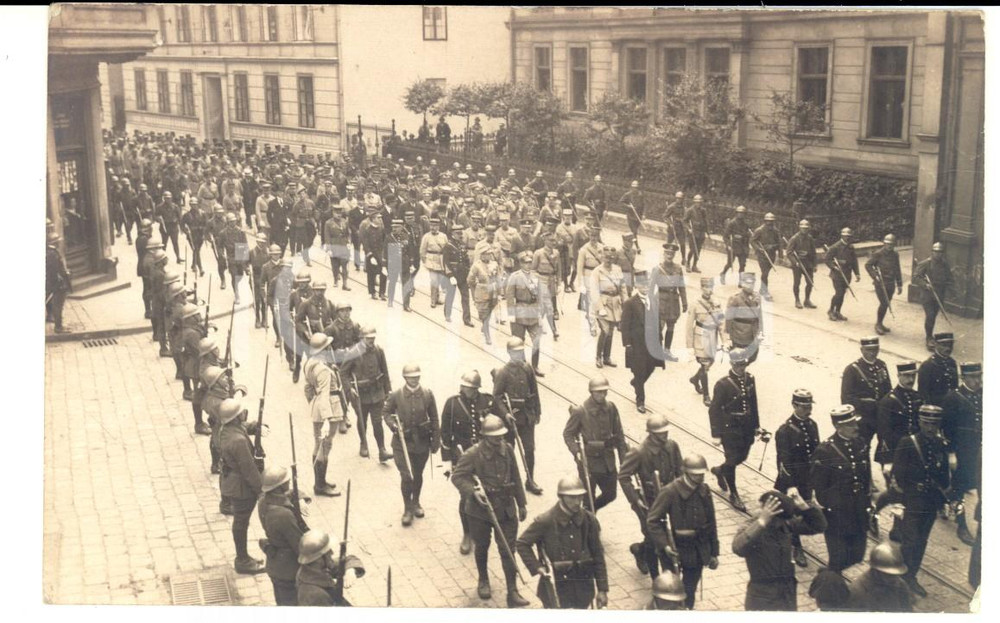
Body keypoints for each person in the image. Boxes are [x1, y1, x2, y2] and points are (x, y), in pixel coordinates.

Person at [450, 415, 530, 607]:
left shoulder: (508, 449)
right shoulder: (472, 454)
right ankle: (483, 579)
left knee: (508, 549)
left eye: (501, 436)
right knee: (482, 546)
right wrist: (473, 491)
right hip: (480, 511)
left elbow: (516, 476)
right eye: (495, 437)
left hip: (506, 508)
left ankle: (513, 591)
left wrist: (521, 503)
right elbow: (458, 477)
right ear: (485, 436)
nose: (499, 440)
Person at [516, 475, 610, 609]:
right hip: (557, 587)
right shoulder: (545, 520)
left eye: (580, 497)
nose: (577, 502)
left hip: (583, 587)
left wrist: (602, 589)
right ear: (561, 497)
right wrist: (537, 567)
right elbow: (522, 544)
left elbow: (598, 555)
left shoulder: (589, 520)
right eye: (572, 497)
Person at [731, 489, 827, 611]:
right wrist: (761, 522)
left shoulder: (784, 525)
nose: (782, 523)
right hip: (762, 595)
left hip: (787, 594)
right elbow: (738, 547)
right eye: (778, 520)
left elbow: (819, 526)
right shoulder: (752, 527)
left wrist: (803, 505)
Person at [646, 454, 720, 610]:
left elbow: (711, 522)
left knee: (689, 590)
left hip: (697, 549)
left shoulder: (704, 490)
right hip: (675, 549)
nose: (699, 477)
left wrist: (714, 552)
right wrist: (665, 545)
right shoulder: (670, 491)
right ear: (686, 472)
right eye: (695, 474)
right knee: (672, 592)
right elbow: (652, 521)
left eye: (701, 474)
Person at [891, 404, 950, 598]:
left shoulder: (941, 444)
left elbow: (943, 475)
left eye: (934, 424)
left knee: (921, 540)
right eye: (926, 423)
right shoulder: (908, 442)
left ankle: (911, 576)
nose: (930, 428)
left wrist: (944, 499)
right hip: (912, 501)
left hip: (930, 502)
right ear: (919, 422)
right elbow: (898, 474)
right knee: (910, 540)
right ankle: (901, 577)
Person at [441, 371, 499, 555]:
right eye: (465, 387)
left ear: (477, 389)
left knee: (487, 491)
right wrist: (447, 461)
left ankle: (482, 529)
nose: (467, 390)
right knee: (466, 496)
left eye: (471, 388)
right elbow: (445, 434)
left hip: (485, 456)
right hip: (463, 457)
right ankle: (467, 534)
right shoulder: (452, 404)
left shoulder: (487, 402)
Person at [619, 413, 684, 577]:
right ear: (652, 434)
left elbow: (680, 471)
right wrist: (636, 499)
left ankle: (639, 551)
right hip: (648, 502)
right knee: (653, 537)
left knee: (666, 536)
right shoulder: (639, 452)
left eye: (666, 431)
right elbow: (623, 476)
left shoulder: (672, 446)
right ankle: (656, 577)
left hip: (669, 498)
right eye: (661, 433)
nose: (665, 435)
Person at [810, 405, 872, 572]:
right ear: (838, 427)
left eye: (855, 422)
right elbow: (820, 488)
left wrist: (867, 500)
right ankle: (829, 586)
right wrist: (834, 507)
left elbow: (866, 474)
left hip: (858, 509)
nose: (856, 427)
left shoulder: (860, 443)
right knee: (838, 558)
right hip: (838, 514)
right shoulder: (825, 451)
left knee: (858, 554)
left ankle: (831, 577)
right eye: (850, 424)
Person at [382, 364, 440, 526]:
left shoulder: (427, 394)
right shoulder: (396, 395)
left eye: (416, 376)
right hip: (402, 443)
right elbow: (386, 413)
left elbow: (434, 418)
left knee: (418, 474)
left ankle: (416, 502)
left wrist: (436, 440)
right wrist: (394, 425)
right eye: (410, 377)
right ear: (405, 378)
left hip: (421, 442)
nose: (414, 380)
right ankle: (407, 508)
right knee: (407, 475)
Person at [563, 375, 628, 513]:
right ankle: (589, 522)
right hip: (589, 462)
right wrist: (577, 452)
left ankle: (588, 513)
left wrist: (624, 459)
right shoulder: (580, 411)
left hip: (608, 462)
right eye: (599, 392)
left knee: (611, 495)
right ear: (591, 392)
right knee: (588, 500)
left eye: (604, 392)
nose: (602, 395)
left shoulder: (611, 408)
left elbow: (619, 435)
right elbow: (568, 434)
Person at [217, 398, 266, 574]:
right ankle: (242, 560)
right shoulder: (238, 441)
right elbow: (249, 469)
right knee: (241, 522)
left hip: (233, 482)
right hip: (242, 488)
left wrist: (257, 426)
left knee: (240, 521)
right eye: (241, 413)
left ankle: (243, 557)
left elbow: (244, 428)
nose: (244, 414)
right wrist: (261, 490)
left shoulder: (226, 430)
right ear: (236, 418)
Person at [708, 348, 759, 512]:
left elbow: (753, 403)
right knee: (731, 459)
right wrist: (716, 434)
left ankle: (719, 470)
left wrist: (757, 425)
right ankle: (734, 494)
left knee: (742, 457)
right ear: (731, 364)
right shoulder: (723, 384)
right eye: (738, 366)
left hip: (747, 427)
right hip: (730, 428)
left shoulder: (750, 379)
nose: (742, 369)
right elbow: (713, 410)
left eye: (744, 365)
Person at [773, 389, 819, 567]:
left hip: (808, 478)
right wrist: (790, 485)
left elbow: (816, 453)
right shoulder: (784, 431)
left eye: (809, 406)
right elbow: (783, 461)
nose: (809, 410)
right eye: (805, 407)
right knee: (793, 512)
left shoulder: (812, 425)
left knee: (803, 510)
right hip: (792, 480)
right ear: (794, 406)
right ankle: (796, 546)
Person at [494, 338, 544, 495]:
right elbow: (496, 397)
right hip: (511, 418)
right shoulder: (503, 372)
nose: (518, 354)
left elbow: (534, 392)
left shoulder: (527, 369)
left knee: (529, 449)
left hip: (527, 416)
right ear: (509, 353)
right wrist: (506, 414)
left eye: (520, 351)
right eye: (515, 352)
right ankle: (508, 481)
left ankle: (530, 480)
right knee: (509, 450)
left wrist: (537, 412)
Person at [302, 333, 348, 497]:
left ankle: (320, 482)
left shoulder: (310, 363)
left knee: (319, 444)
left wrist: (312, 404)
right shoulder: (323, 370)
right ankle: (320, 485)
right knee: (325, 445)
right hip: (329, 408)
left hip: (318, 407)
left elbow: (308, 388)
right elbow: (324, 395)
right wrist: (327, 419)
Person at [941, 362, 982, 546]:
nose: (977, 380)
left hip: (979, 450)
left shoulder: (983, 394)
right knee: (959, 487)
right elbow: (947, 428)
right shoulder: (953, 398)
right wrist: (951, 454)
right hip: (961, 451)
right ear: (963, 378)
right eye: (973, 377)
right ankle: (961, 524)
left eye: (978, 376)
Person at [339, 325, 392, 462]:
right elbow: (343, 373)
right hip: (360, 395)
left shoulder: (379, 350)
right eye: (368, 338)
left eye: (373, 338)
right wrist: (348, 388)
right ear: (362, 338)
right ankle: (363, 443)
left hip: (377, 392)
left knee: (377, 422)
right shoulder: (353, 353)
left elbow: (385, 371)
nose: (371, 341)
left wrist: (388, 391)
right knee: (362, 420)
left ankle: (382, 449)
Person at [258, 466, 306, 606]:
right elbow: (299, 546)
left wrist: (301, 498)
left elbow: (290, 493)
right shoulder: (283, 515)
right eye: (286, 481)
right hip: (289, 570)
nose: (289, 482)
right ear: (278, 488)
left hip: (276, 564)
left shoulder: (263, 501)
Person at [620, 270, 664, 413]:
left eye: (647, 284)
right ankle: (640, 400)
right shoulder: (630, 303)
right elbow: (624, 325)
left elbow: (658, 319)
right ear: (637, 286)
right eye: (642, 285)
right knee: (639, 371)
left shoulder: (653, 300)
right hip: (637, 343)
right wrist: (627, 344)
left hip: (651, 344)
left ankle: (636, 383)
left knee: (650, 368)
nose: (645, 287)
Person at [841, 336, 892, 448]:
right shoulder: (852, 369)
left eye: (875, 349)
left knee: (884, 447)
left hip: (880, 415)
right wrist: (865, 405)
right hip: (863, 417)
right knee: (862, 447)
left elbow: (888, 390)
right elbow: (846, 398)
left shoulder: (881, 365)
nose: (872, 353)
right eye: (869, 350)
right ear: (862, 350)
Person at [295, 529, 365, 606]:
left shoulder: (313, 569)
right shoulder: (315, 595)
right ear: (319, 559)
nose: (332, 552)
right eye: (327, 552)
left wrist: (350, 571)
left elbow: (349, 559)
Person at [686, 277, 723, 406]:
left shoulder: (717, 302)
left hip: (712, 336)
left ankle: (695, 379)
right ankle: (706, 396)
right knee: (705, 365)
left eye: (710, 287)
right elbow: (689, 324)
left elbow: (721, 322)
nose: (708, 290)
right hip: (700, 337)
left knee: (710, 361)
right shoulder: (695, 303)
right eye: (706, 287)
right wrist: (690, 345)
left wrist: (724, 339)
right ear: (701, 288)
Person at [506, 251, 545, 375]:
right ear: (521, 264)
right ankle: (522, 366)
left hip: (533, 311)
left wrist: (540, 313)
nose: (528, 265)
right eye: (525, 262)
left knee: (537, 340)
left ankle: (535, 366)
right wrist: (511, 314)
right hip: (520, 311)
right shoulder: (515, 276)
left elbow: (540, 296)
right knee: (518, 341)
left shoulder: (536, 277)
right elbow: (509, 296)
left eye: (530, 262)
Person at [846, 541, 913, 612]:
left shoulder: (901, 585)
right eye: (888, 575)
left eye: (896, 574)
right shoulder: (857, 591)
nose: (894, 579)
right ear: (876, 571)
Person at [912, 241, 954, 350]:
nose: (938, 254)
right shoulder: (926, 263)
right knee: (930, 316)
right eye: (936, 251)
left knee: (933, 316)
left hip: (939, 294)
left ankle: (930, 334)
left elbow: (949, 278)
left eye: (940, 252)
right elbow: (916, 277)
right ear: (932, 252)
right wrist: (925, 285)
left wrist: (949, 287)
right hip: (927, 295)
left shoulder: (944, 264)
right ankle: (929, 338)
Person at [649, 242, 688, 361]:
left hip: (673, 302)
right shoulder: (657, 269)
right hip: (661, 300)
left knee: (671, 326)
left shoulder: (678, 269)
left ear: (674, 255)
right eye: (667, 253)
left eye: (671, 254)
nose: (669, 256)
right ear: (664, 254)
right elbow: (650, 288)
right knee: (659, 327)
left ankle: (667, 350)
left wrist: (684, 302)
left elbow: (681, 286)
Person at [589, 247, 625, 367]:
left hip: (615, 304)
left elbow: (622, 287)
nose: (608, 260)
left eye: (611, 257)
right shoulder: (597, 271)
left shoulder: (617, 270)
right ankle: (598, 357)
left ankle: (607, 357)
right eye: (606, 257)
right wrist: (600, 308)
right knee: (604, 331)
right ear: (602, 257)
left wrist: (625, 302)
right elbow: (594, 292)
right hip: (603, 303)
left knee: (611, 331)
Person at [865, 234, 903, 335]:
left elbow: (897, 269)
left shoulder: (895, 254)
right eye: (887, 244)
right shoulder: (878, 254)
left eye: (891, 244)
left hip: (891, 283)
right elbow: (868, 265)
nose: (889, 246)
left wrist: (899, 284)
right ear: (884, 243)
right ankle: (878, 324)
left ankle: (880, 323)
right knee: (884, 303)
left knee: (886, 303)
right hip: (881, 283)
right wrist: (875, 276)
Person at [725, 272, 762, 363]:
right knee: (739, 359)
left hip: (752, 333)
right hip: (739, 333)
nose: (751, 286)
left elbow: (759, 316)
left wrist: (761, 331)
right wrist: (728, 336)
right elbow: (728, 318)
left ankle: (741, 371)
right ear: (742, 284)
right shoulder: (735, 299)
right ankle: (738, 373)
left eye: (752, 283)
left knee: (753, 356)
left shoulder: (756, 297)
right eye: (748, 283)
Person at [467, 247, 502, 345]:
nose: (489, 256)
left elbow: (498, 278)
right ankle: (487, 334)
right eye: (486, 254)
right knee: (483, 313)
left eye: (490, 254)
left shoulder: (494, 264)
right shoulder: (476, 266)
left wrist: (500, 292)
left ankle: (485, 327)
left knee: (489, 310)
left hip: (493, 291)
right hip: (482, 291)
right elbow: (470, 280)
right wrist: (475, 290)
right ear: (481, 255)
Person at [825, 227, 860, 322]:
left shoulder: (851, 247)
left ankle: (838, 311)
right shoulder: (835, 247)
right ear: (842, 236)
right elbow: (827, 259)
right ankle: (831, 310)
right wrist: (833, 267)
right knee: (839, 293)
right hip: (837, 275)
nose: (847, 238)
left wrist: (857, 273)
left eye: (849, 236)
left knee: (843, 294)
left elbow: (854, 261)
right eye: (845, 236)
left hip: (847, 274)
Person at [532, 231, 563, 340]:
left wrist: (559, 283)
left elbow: (558, 270)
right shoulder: (538, 253)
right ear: (545, 240)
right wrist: (536, 283)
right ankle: (553, 330)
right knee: (548, 306)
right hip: (542, 280)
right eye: (550, 240)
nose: (553, 243)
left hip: (552, 281)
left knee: (544, 307)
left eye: (554, 240)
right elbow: (533, 270)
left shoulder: (556, 253)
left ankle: (537, 325)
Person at [444, 224, 474, 326]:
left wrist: (468, 272)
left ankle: (467, 319)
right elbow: (445, 262)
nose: (460, 235)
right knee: (450, 295)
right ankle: (447, 315)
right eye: (457, 233)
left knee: (465, 297)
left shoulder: (462, 244)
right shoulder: (448, 245)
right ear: (452, 233)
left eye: (461, 233)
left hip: (463, 275)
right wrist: (450, 275)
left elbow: (466, 260)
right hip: (453, 274)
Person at [918, 332, 958, 406]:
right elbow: (923, 394)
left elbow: (955, 388)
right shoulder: (927, 366)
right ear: (936, 344)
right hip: (936, 408)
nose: (948, 348)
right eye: (944, 345)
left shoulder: (952, 363)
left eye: (950, 345)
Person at [785, 219, 817, 309]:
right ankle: (797, 300)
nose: (804, 230)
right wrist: (795, 262)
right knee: (797, 283)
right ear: (799, 228)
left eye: (806, 228)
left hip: (808, 263)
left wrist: (814, 265)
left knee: (810, 282)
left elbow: (814, 252)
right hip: (798, 264)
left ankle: (807, 300)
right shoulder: (794, 238)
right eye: (803, 228)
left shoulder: (810, 238)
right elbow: (789, 252)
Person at [359, 201, 387, 300]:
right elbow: (365, 243)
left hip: (380, 253)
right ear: (373, 219)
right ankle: (372, 292)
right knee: (371, 274)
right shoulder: (367, 228)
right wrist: (370, 255)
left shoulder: (381, 228)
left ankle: (382, 293)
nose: (380, 219)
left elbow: (385, 241)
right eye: (378, 218)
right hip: (371, 254)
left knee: (384, 273)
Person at [750, 213, 781, 300]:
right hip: (762, 255)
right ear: (765, 221)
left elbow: (779, 243)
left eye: (771, 222)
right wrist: (759, 249)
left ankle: (762, 289)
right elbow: (752, 241)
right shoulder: (759, 230)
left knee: (766, 272)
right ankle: (765, 291)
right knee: (765, 273)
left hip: (772, 254)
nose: (770, 223)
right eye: (768, 221)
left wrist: (779, 254)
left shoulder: (776, 231)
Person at [45, 232, 72, 333]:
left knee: (58, 305)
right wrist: (59, 283)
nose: (59, 243)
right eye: (58, 241)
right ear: (55, 242)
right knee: (58, 305)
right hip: (58, 285)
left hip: (57, 283)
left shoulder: (51, 252)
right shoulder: (52, 254)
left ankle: (59, 325)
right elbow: (53, 271)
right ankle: (58, 327)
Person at [720, 205, 750, 284]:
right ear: (736, 213)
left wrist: (747, 249)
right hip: (733, 246)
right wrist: (728, 245)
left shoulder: (746, 224)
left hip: (742, 247)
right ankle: (723, 274)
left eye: (742, 213)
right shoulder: (732, 223)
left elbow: (747, 237)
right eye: (739, 213)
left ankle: (741, 281)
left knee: (742, 265)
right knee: (730, 264)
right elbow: (725, 236)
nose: (741, 215)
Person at [682, 194, 708, 272]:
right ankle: (688, 264)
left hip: (701, 233)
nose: (698, 204)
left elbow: (705, 221)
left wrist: (707, 232)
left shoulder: (703, 210)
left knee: (698, 250)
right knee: (693, 249)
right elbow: (684, 221)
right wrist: (689, 229)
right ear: (694, 202)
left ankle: (694, 266)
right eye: (697, 202)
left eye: (700, 202)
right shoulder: (690, 210)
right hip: (693, 233)